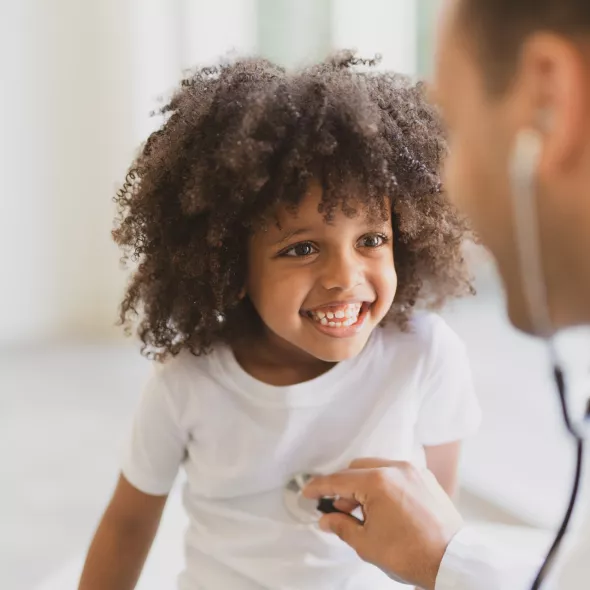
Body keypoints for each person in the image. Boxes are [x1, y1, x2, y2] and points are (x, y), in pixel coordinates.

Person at [77, 53, 481, 590]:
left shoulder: (425, 354)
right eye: (303, 247)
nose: (344, 275)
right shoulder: (188, 382)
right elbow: (128, 523)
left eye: (371, 240)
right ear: (232, 266)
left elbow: (438, 529)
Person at [303, 0, 590, 589]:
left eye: (452, 128)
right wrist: (448, 557)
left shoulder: (429, 356)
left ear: (548, 103)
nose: (450, 191)